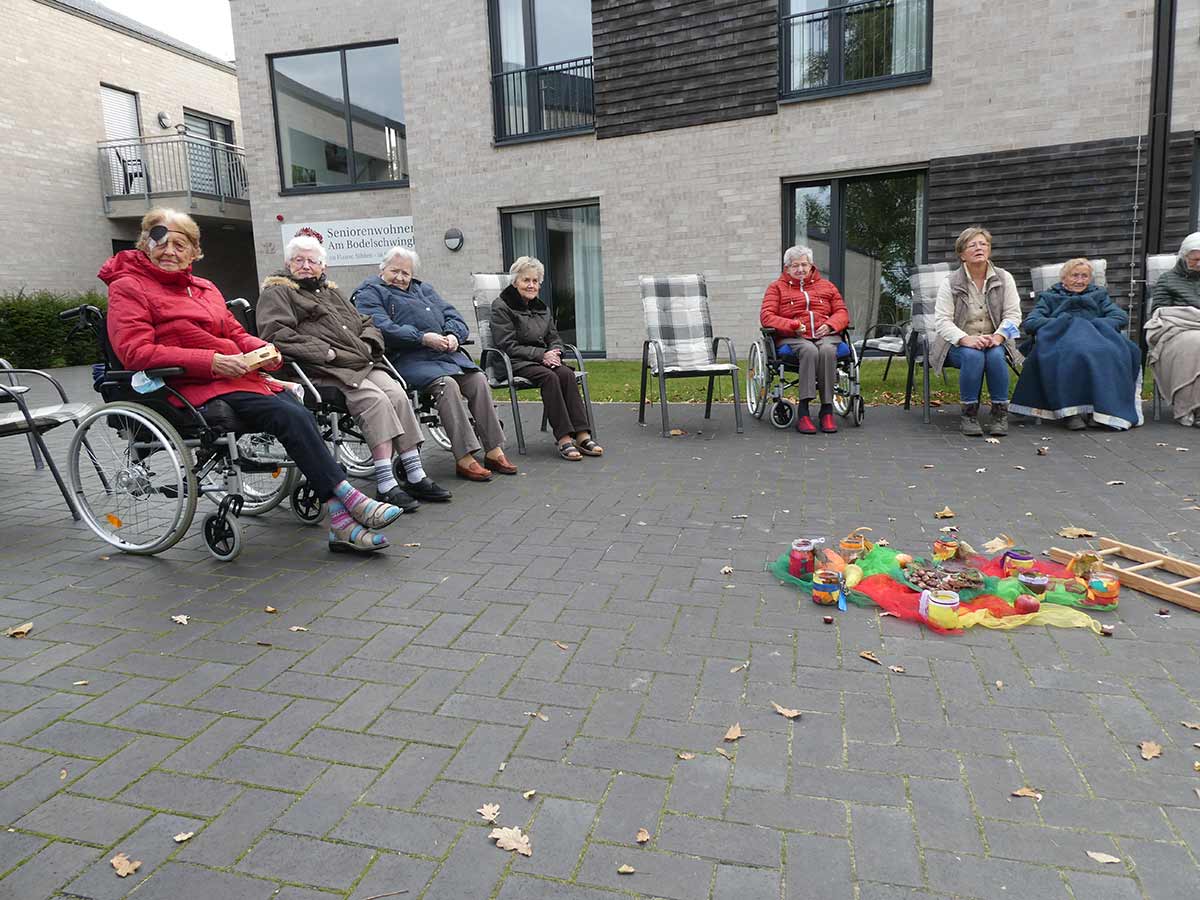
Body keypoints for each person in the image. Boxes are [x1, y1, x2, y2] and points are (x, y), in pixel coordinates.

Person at [102, 209, 402, 554]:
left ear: (193, 251)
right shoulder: (129, 287)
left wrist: (265, 350)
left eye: (180, 244)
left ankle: (341, 519)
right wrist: (212, 361)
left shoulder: (204, 287)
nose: (170, 251)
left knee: (297, 410)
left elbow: (234, 332)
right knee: (291, 415)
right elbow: (135, 351)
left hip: (239, 377)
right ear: (145, 243)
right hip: (185, 384)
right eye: (162, 242)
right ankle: (349, 501)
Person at [255, 229, 451, 510]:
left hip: (360, 360)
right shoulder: (278, 292)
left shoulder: (331, 293)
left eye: (312, 261)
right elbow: (276, 335)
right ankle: (386, 482)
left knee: (397, 393)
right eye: (299, 260)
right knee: (374, 400)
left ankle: (414, 472)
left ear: (323, 266)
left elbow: (366, 321)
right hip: (323, 368)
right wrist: (327, 352)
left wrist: (370, 342)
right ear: (288, 264)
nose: (306, 266)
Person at [354, 247, 516, 482]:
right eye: (394, 271)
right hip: (406, 358)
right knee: (447, 385)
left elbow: (455, 317)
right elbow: (380, 326)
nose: (400, 277)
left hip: (444, 355)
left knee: (478, 379)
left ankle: (494, 449)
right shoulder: (369, 293)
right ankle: (464, 456)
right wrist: (421, 337)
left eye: (405, 273)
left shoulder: (424, 289)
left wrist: (453, 335)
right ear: (382, 269)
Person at [490, 256, 603, 460]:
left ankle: (582, 434)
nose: (531, 285)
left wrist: (555, 352)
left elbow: (554, 337)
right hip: (513, 361)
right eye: (526, 280)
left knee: (566, 374)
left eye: (535, 281)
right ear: (515, 282)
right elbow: (507, 345)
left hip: (541, 360)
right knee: (550, 377)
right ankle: (563, 439)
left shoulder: (541, 307)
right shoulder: (501, 306)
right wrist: (542, 354)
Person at [1009, 259, 1142, 430]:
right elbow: (1032, 322)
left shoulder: (1099, 296)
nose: (1080, 280)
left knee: (1107, 352)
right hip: (1062, 340)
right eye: (1075, 275)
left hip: (1097, 339)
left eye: (1084, 276)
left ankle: (1100, 411)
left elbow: (1120, 317)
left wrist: (1093, 325)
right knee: (1073, 354)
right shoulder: (1050, 298)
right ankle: (1071, 413)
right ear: (1064, 278)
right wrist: (1064, 323)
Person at [931, 226, 1024, 436]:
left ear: (989, 250)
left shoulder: (1004, 278)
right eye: (972, 245)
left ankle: (999, 414)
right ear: (962, 254)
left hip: (995, 340)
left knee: (995, 355)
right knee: (973, 356)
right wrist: (965, 339)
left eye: (983, 244)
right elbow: (942, 321)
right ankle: (969, 415)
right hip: (956, 345)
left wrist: (999, 336)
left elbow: (1013, 315)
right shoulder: (950, 283)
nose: (978, 248)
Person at [759, 245, 850, 433]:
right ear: (787, 268)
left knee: (826, 350)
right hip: (793, 337)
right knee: (809, 350)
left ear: (811, 266)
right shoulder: (776, 288)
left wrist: (832, 325)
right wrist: (792, 326)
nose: (800, 269)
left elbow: (842, 312)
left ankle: (827, 410)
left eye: (804, 264)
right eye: (795, 265)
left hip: (825, 334)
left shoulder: (827, 286)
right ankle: (804, 410)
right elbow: (767, 316)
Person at [1145, 232, 1200, 426]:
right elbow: (1159, 312)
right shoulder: (1168, 279)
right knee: (1196, 343)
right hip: (1177, 330)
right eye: (1196, 259)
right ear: (1184, 257)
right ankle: (1194, 406)